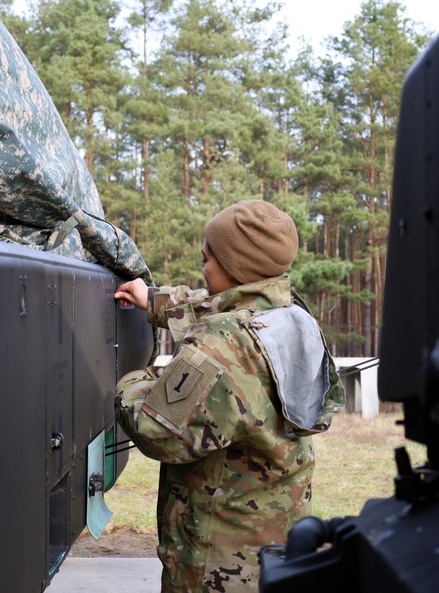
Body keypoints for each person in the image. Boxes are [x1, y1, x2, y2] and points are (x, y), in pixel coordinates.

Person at [113, 199, 345, 593]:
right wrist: (151, 298)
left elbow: (157, 430)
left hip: (216, 560)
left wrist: (136, 380)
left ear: (234, 266)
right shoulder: (292, 314)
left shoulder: (221, 343)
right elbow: (217, 304)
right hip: (276, 541)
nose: (203, 269)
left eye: (208, 259)